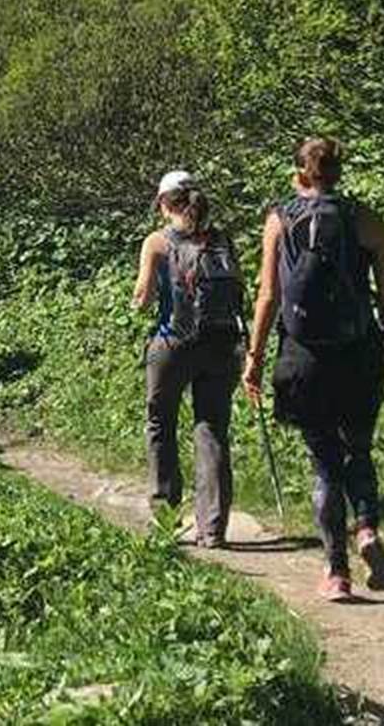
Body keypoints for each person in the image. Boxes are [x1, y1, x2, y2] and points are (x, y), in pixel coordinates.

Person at [243, 137, 384, 601]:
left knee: (324, 464)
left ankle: (336, 571)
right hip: (358, 351)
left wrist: (255, 357)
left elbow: (268, 296)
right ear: (338, 172)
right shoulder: (364, 219)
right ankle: (366, 529)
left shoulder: (279, 219)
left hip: (304, 358)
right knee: (358, 449)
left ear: (299, 173)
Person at [132, 171, 245, 549]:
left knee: (160, 423)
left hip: (172, 344)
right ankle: (212, 529)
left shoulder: (157, 241)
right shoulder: (222, 240)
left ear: (165, 203)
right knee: (211, 428)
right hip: (221, 345)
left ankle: (166, 516)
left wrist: (139, 301)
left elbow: (144, 298)